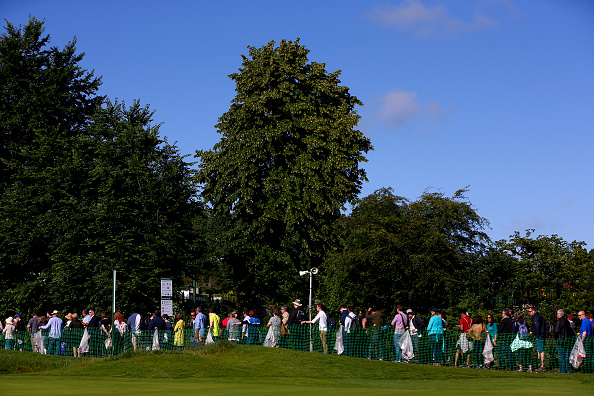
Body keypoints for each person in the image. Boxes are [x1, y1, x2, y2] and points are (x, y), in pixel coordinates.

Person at [554, 309, 575, 373]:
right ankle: (568, 369)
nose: (557, 315)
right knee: (567, 355)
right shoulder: (567, 321)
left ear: (560, 314)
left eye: (557, 314)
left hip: (560, 340)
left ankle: (562, 370)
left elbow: (556, 331)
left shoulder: (559, 321)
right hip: (567, 340)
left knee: (561, 356)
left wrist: (556, 338)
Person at [528, 306, 546, 371]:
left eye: (530, 311)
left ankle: (541, 365)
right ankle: (540, 364)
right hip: (541, 335)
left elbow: (537, 327)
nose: (529, 313)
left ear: (534, 311)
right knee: (539, 350)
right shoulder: (540, 316)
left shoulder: (536, 317)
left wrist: (537, 335)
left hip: (539, 336)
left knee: (540, 351)